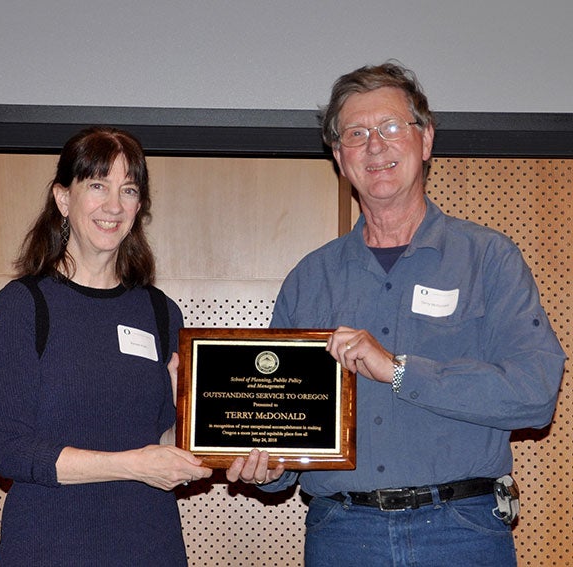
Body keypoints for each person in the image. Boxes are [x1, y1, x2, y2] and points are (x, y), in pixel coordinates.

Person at [226, 62, 566, 566]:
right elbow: (285, 429)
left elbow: (536, 394)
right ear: (339, 157)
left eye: (390, 128)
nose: (375, 147)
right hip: (341, 533)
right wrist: (269, 465)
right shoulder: (310, 277)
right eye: (356, 134)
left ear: (425, 140)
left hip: (461, 531)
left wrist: (400, 370)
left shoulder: (488, 258)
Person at [0, 126, 212, 566]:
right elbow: (10, 450)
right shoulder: (24, 305)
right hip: (50, 546)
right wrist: (134, 465)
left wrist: (196, 418)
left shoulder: (161, 313)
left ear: (139, 206)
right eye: (97, 186)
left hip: (149, 545)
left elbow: (161, 439)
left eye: (128, 190)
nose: (113, 205)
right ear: (63, 199)